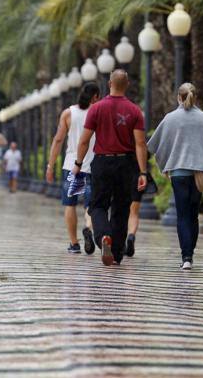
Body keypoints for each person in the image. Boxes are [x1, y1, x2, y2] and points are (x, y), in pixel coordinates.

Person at [147, 83, 203, 270]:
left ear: (178, 97)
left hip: (178, 174)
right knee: (193, 215)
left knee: (183, 215)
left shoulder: (170, 118)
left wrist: (165, 166)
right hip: (200, 174)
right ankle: (189, 254)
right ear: (196, 97)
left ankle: (186, 256)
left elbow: (154, 146)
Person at [72, 70, 147, 266]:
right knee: (122, 207)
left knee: (97, 205)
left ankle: (104, 236)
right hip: (126, 163)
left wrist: (78, 164)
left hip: (102, 162)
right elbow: (140, 144)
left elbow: (84, 141)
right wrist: (143, 172)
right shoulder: (134, 110)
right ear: (127, 84)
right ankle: (116, 252)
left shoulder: (96, 109)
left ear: (110, 83)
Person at [45, 82, 100, 254]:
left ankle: (74, 243)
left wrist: (50, 165)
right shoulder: (98, 112)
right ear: (96, 97)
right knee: (90, 205)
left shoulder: (69, 113)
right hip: (93, 166)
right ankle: (88, 228)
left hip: (71, 167)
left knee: (70, 204)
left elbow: (58, 140)